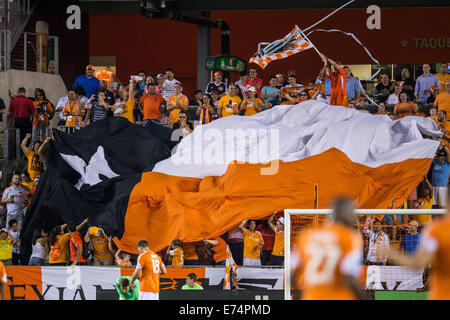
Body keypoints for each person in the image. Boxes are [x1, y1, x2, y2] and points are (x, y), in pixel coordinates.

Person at [383, 186, 450, 299]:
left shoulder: (434, 231)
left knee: (427, 275)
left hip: (422, 267)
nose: (408, 225)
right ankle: (424, 286)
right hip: (417, 264)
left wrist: (392, 254)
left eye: (411, 224)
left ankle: (424, 286)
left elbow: (417, 262)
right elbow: (395, 220)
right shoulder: (408, 233)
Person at [291, 197, 364, 300]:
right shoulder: (349, 238)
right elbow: (349, 277)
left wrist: (301, 296)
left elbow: (293, 274)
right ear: (349, 214)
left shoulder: (306, 236)